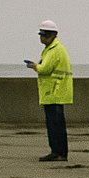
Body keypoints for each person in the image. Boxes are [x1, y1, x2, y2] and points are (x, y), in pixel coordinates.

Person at [24, 20, 72, 162]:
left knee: (54, 125)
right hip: (57, 92)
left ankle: (56, 152)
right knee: (58, 124)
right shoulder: (55, 48)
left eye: (43, 35)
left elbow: (45, 69)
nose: (41, 38)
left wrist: (34, 66)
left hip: (54, 92)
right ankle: (61, 153)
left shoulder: (54, 50)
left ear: (50, 35)